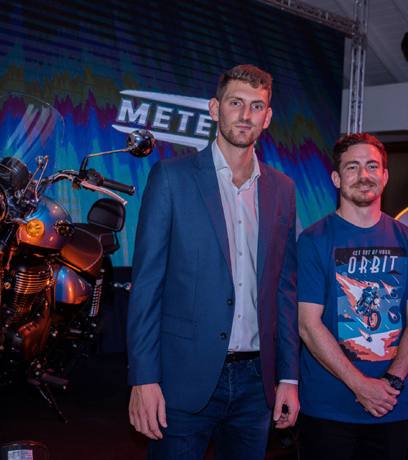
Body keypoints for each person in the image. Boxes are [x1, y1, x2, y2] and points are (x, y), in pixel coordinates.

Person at [127, 64, 300, 460]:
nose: (246, 115)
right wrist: (143, 378)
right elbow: (147, 287)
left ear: (268, 117)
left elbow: (285, 292)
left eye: (257, 106)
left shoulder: (283, 189)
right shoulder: (171, 177)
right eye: (236, 103)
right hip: (182, 378)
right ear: (214, 108)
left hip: (256, 384)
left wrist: (289, 376)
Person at [296, 133, 408, 459]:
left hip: (390, 406)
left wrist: (391, 383)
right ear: (336, 178)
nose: (364, 175)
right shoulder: (314, 240)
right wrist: (361, 386)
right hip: (327, 410)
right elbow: (308, 326)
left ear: (385, 176)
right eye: (352, 167)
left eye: (372, 166)